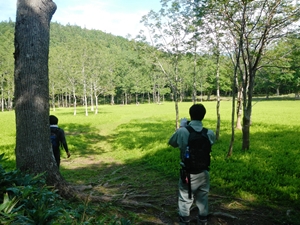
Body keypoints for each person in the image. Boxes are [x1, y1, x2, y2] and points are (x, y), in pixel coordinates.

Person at [168, 104, 216, 225]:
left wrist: (181, 127)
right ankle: (203, 221)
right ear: (203, 116)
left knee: (185, 199)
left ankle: (184, 222)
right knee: (203, 199)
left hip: (188, 174)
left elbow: (172, 143)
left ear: (190, 114)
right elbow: (211, 143)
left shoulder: (183, 131)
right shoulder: (209, 133)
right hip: (204, 172)